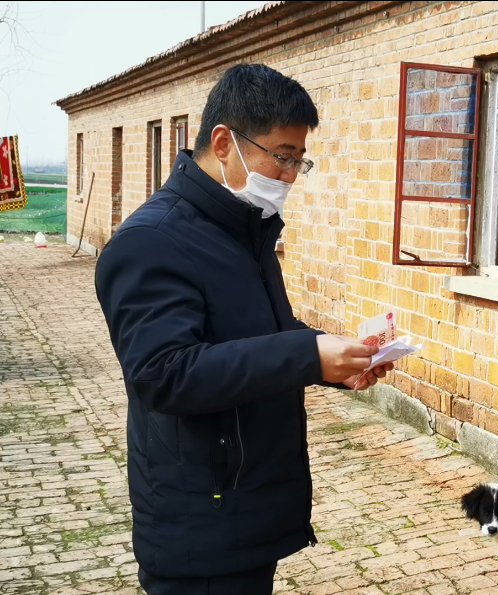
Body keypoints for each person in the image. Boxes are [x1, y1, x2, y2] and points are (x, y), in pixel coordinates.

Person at [95, 64, 392, 595]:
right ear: (223, 143)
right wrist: (307, 355)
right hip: (200, 517)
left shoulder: (243, 230)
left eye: (300, 160)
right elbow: (163, 374)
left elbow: (264, 330)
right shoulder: (151, 241)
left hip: (248, 504)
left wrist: (335, 361)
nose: (290, 175)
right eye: (281, 155)